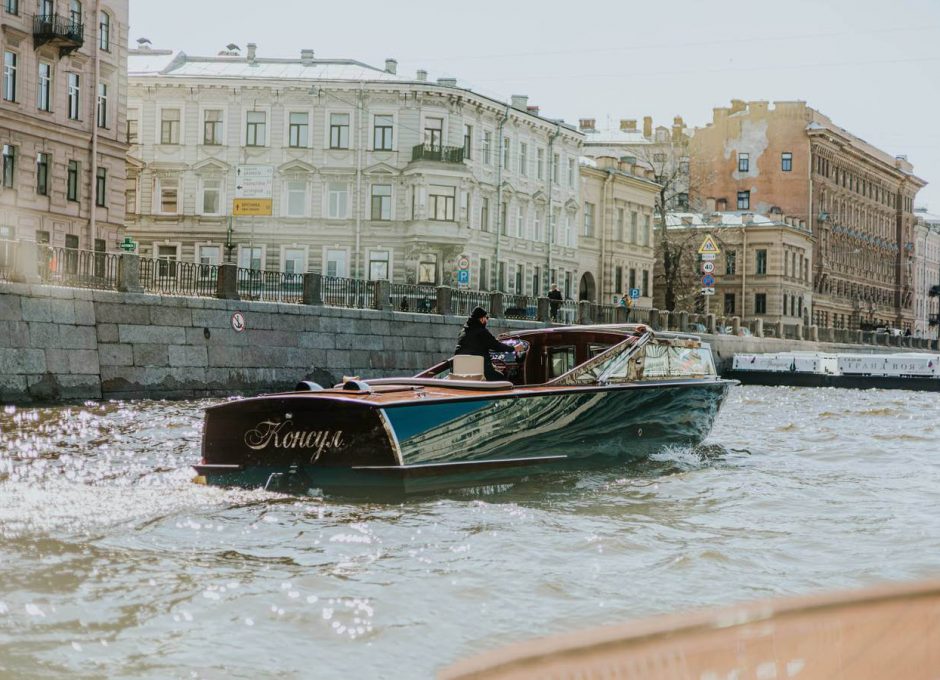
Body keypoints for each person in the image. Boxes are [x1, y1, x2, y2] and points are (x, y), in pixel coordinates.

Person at [454, 307, 518, 381]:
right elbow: (496, 345)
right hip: (481, 371)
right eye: (486, 317)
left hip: (462, 371)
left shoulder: (462, 332)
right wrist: (514, 348)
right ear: (481, 319)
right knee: (503, 379)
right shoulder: (482, 332)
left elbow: (475, 346)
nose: (487, 320)